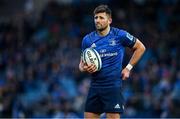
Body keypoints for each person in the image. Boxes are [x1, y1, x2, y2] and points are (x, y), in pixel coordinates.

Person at [79, 4, 146, 119]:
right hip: (95, 87)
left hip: (112, 87)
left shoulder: (120, 35)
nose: (97, 21)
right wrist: (83, 68)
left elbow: (141, 48)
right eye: (96, 18)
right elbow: (81, 64)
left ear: (109, 20)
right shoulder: (87, 40)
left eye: (101, 18)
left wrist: (128, 68)